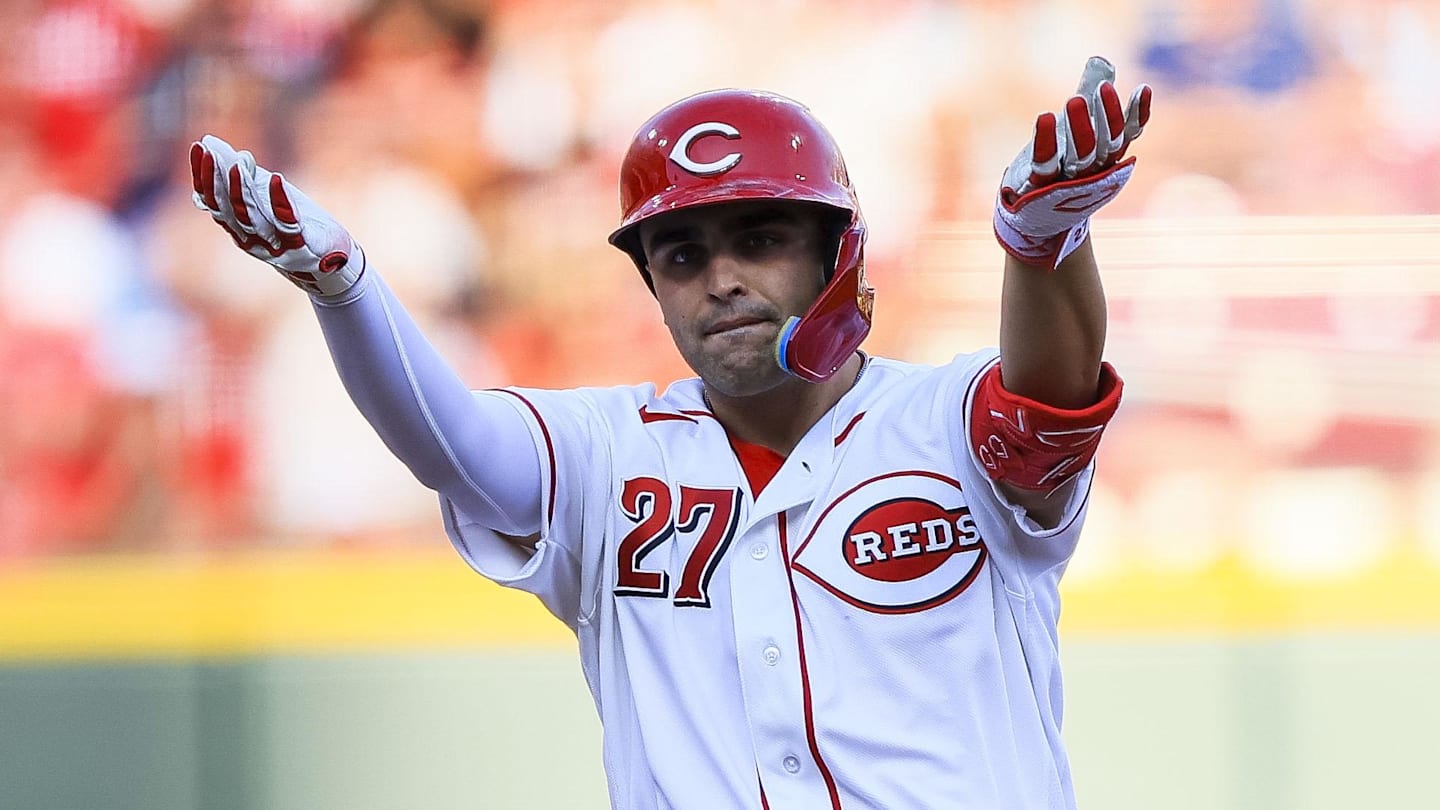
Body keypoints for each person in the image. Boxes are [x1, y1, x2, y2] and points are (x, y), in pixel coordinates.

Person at [190, 55, 1151, 810]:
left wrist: (1043, 245)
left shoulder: (944, 422)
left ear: (836, 250)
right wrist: (347, 289)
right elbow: (454, 447)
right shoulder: (610, 450)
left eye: (762, 238)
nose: (721, 277)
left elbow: (1048, 398)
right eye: (683, 254)